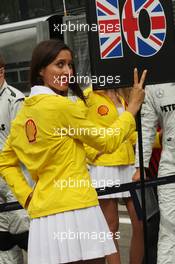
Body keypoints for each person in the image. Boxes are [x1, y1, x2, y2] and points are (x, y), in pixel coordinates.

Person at [0, 39, 146, 264]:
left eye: (70, 65)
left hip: (43, 217)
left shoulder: (24, 112)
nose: (68, 71)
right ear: (41, 69)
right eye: (60, 65)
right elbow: (107, 141)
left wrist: (28, 197)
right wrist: (132, 109)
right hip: (78, 209)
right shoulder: (63, 107)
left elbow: (5, 161)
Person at [78, 86, 144, 264]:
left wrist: (147, 140)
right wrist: (93, 153)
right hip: (104, 167)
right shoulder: (88, 95)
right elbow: (76, 129)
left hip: (128, 165)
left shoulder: (123, 92)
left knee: (140, 225)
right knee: (111, 227)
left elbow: (129, 130)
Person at [133, 82, 175, 264]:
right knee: (168, 229)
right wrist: (139, 167)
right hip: (170, 165)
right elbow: (146, 127)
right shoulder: (157, 83)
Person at [0, 54, 29, 263]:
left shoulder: (15, 99)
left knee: (31, 242)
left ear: (1, 71)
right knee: (5, 250)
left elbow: (23, 144)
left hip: (15, 186)